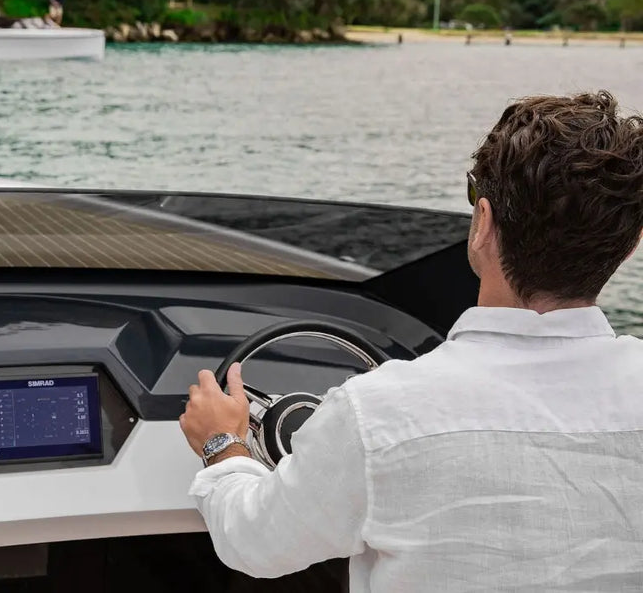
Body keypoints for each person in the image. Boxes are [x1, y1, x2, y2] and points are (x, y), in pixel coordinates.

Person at [179, 91, 643, 590]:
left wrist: (222, 444)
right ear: (629, 244)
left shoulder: (376, 412)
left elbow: (255, 542)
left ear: (483, 222)